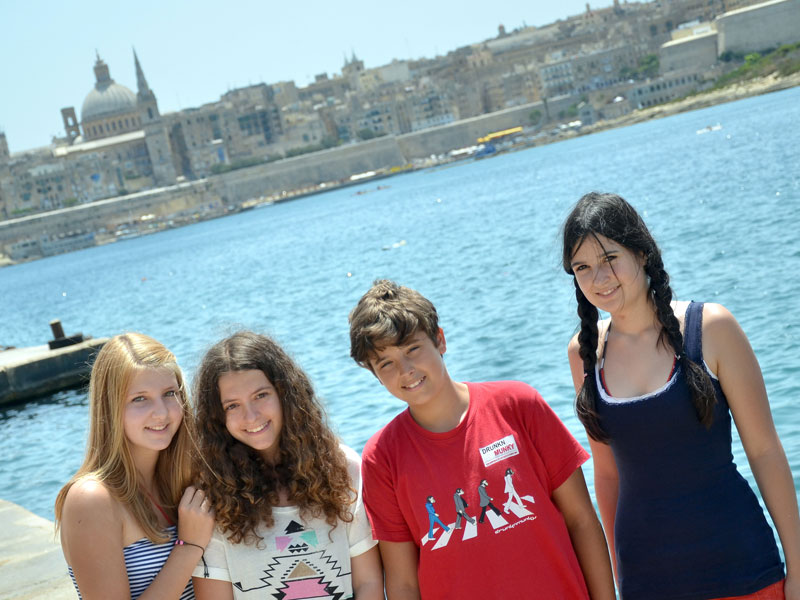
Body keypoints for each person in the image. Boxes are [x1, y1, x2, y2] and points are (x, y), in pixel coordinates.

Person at [562, 192, 800, 600]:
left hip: (743, 569)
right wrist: (620, 580)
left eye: (609, 259)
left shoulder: (711, 328)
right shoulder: (585, 353)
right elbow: (608, 475)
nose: (598, 279)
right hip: (647, 582)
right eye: (582, 267)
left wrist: (797, 565)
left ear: (641, 252)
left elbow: (764, 451)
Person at [349, 279, 615, 599]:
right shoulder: (381, 458)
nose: (405, 369)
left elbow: (582, 521)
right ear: (375, 375)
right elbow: (403, 584)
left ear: (440, 339)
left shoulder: (519, 405)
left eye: (412, 349)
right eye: (386, 363)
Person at [190, 331, 383, 600]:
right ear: (217, 417)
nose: (251, 416)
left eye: (261, 395)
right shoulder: (210, 497)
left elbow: (369, 583)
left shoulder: (342, 468)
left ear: (285, 393)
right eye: (232, 406)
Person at [55, 333, 215, 600]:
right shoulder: (92, 499)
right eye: (140, 398)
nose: (161, 412)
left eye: (169, 393)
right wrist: (189, 547)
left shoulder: (190, 478)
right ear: (110, 408)